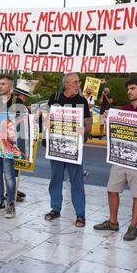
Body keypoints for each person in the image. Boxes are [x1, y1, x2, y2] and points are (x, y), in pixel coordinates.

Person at [94, 79, 137, 241]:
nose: (129, 91)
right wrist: (108, 120)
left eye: (133, 88)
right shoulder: (124, 109)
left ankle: (133, 227)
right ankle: (113, 222)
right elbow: (114, 133)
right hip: (120, 158)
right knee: (111, 189)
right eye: (128, 89)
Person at [44, 73, 91, 228]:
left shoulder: (82, 101)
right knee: (55, 178)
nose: (79, 85)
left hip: (74, 148)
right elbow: (47, 118)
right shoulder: (55, 97)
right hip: (57, 146)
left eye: (79, 82)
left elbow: (87, 123)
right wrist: (47, 128)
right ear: (66, 84)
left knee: (76, 181)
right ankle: (55, 208)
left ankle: (80, 214)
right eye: (76, 82)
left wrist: (85, 129)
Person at [0, 75, 26, 219]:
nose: (0, 86)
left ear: (10, 86)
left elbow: (24, 121)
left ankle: (10, 204)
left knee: (9, 175)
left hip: (9, 144)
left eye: (3, 84)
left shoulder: (17, 101)